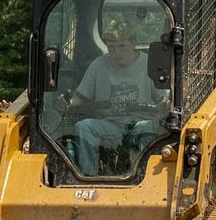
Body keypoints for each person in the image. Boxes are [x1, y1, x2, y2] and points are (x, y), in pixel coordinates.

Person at [67, 18, 162, 174]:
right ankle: (87, 177)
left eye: (122, 46)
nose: (116, 52)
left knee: (155, 127)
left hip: (141, 123)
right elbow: (80, 97)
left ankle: (142, 176)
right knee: (84, 126)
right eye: (111, 47)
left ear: (133, 43)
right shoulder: (99, 65)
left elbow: (162, 97)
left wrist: (163, 102)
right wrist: (68, 104)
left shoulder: (149, 64)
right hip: (111, 125)